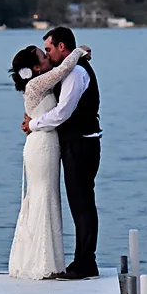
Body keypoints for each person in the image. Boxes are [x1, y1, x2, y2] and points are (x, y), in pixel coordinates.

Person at [21, 26, 101, 279]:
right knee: (79, 203)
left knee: (82, 204)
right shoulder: (64, 71)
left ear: (62, 47)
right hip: (73, 143)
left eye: (49, 49)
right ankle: (80, 260)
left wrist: (33, 124)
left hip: (81, 143)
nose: (48, 54)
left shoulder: (76, 72)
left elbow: (63, 112)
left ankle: (86, 262)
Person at [7, 43, 91, 279]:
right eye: (44, 57)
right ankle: (43, 263)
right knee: (44, 197)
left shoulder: (37, 84)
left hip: (47, 143)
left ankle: (48, 260)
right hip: (42, 146)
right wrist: (78, 51)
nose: (47, 59)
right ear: (35, 67)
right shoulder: (36, 83)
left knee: (47, 198)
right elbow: (63, 70)